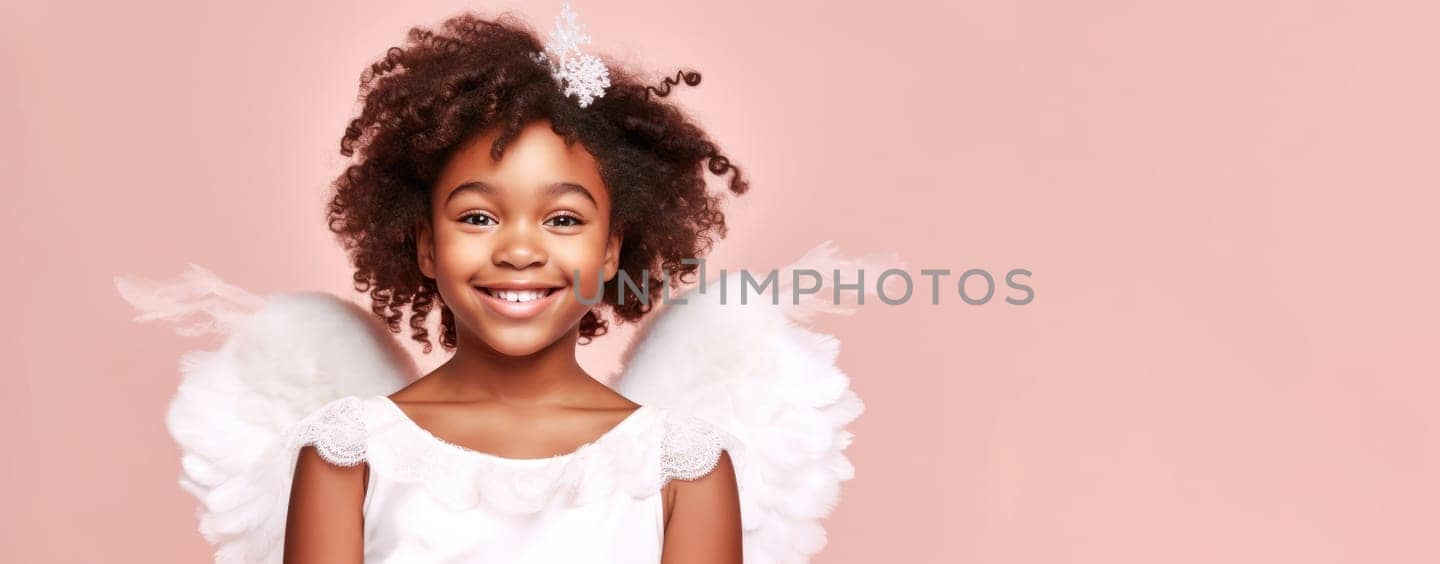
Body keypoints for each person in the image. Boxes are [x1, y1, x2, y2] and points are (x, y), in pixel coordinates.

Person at [114, 4, 874, 563]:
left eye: (564, 221)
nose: (518, 249)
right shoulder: (348, 455)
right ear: (421, 244)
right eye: (478, 218)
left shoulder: (685, 464)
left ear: (614, 251)